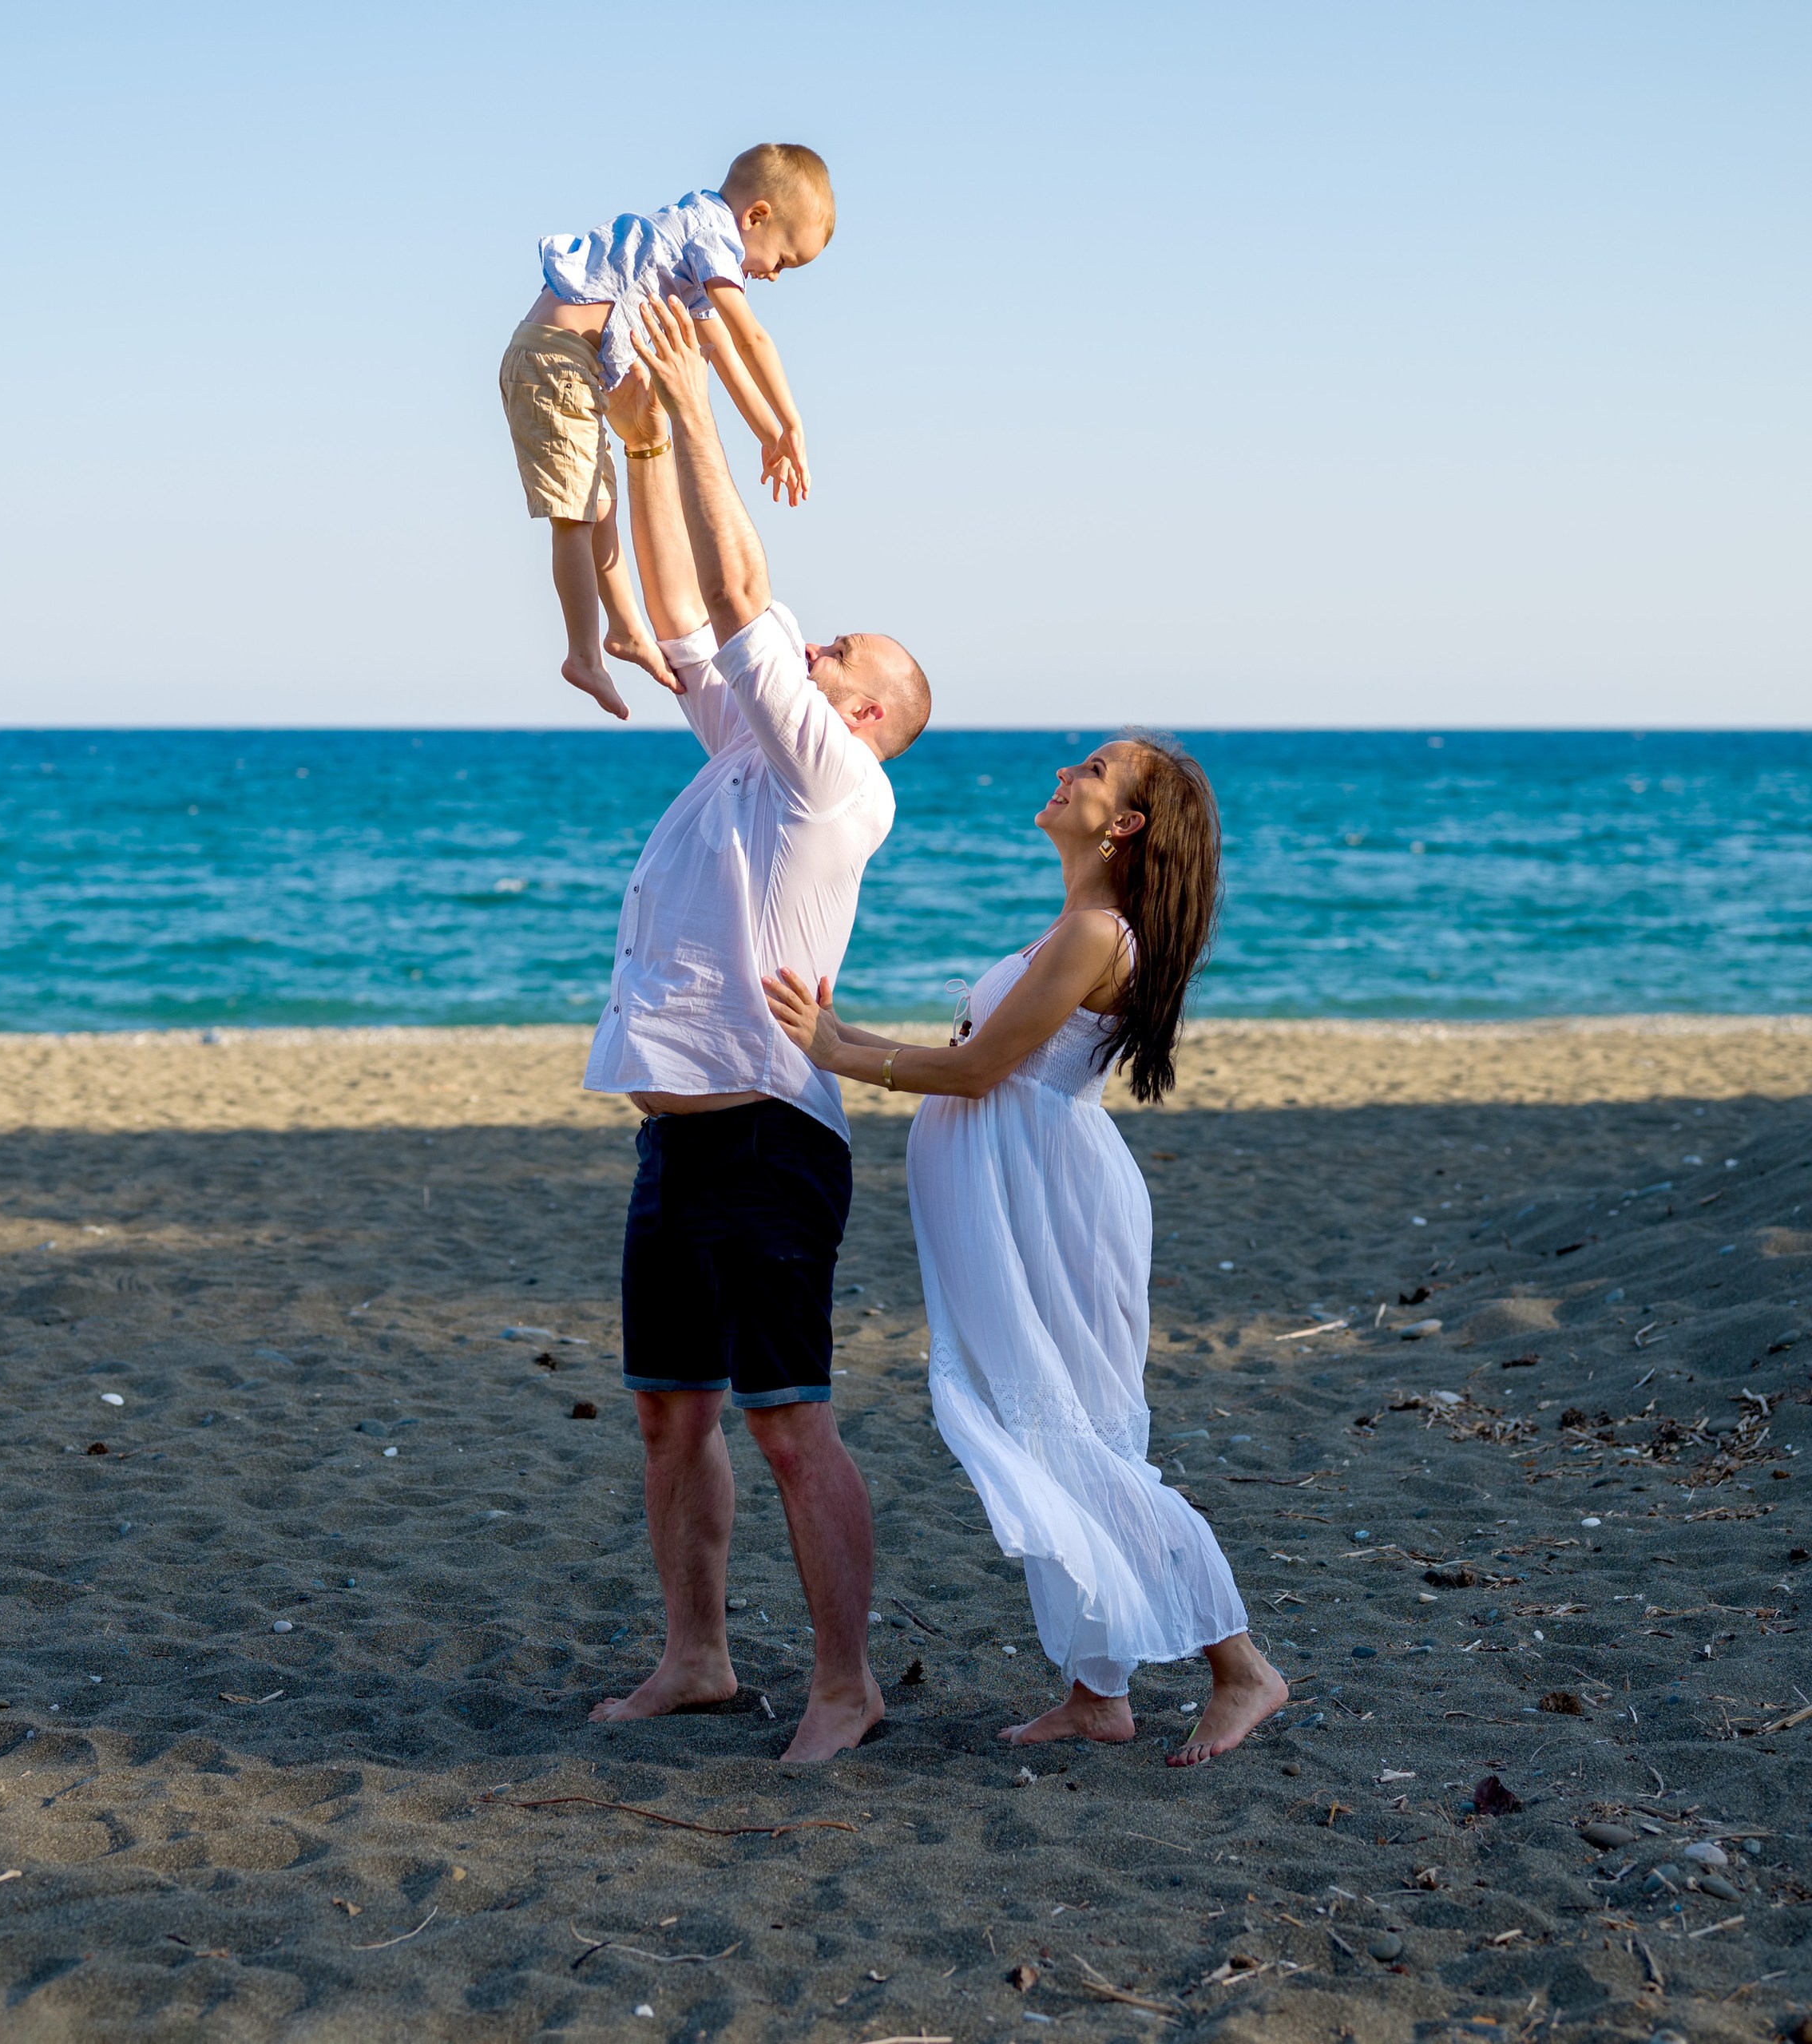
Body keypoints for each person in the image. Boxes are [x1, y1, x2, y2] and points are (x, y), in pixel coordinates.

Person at [763, 736, 1289, 1764]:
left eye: (1093, 770)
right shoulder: (1075, 928)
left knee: (1071, 1436)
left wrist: (839, 1053)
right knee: (1061, 1425)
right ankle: (1098, 1694)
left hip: (1045, 1203)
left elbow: (977, 1072)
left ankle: (1242, 1667)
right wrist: (837, 1039)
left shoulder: (1095, 931)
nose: (1067, 772)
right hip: (1017, 1195)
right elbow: (974, 1063)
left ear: (1124, 824)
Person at [582, 294, 931, 1764]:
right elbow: (682, 613)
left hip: (774, 1137)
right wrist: (649, 437)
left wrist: (708, 419)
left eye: (835, 651)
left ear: (863, 712)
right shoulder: (752, 752)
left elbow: (738, 595)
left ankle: (844, 1686)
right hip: (679, 1138)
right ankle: (701, 1661)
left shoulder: (839, 785)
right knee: (674, 1417)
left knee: (790, 1423)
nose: (811, 645)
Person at [500, 145, 834, 722]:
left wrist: (768, 436)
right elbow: (750, 338)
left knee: (597, 506)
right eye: (783, 259)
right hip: (552, 360)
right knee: (576, 515)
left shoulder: (694, 249)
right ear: (755, 217)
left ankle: (625, 630)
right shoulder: (712, 237)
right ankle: (583, 652)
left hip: (567, 365)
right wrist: (793, 421)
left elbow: (721, 352)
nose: (774, 276)